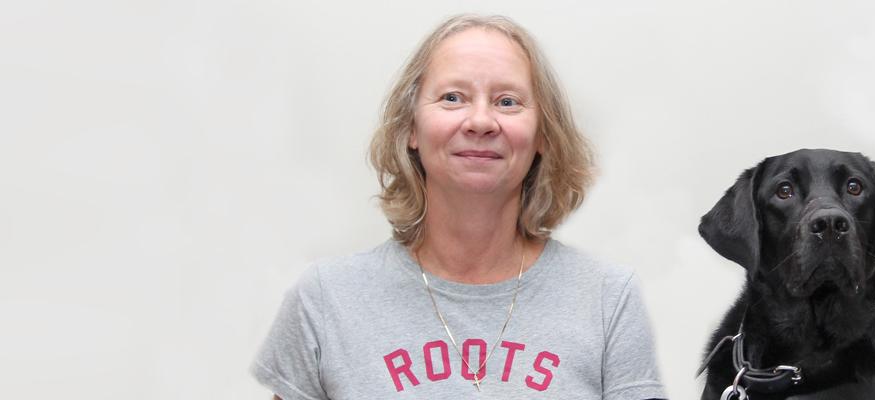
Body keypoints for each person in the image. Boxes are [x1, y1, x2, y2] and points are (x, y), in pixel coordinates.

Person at [250, 14, 667, 399]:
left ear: (543, 135)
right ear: (411, 128)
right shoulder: (325, 299)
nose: (481, 121)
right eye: (452, 98)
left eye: (507, 101)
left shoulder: (607, 299)